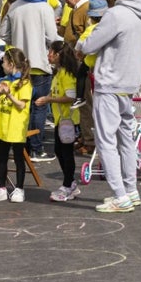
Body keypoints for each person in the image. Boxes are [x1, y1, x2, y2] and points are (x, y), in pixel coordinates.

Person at [76, 0, 141, 213]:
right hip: (130, 82)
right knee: (126, 140)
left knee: (106, 141)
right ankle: (131, 191)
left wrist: (81, 42)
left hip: (110, 83)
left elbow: (89, 45)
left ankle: (120, 194)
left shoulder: (116, 15)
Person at [2, 0, 60, 162]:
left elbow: (4, 34)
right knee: (39, 107)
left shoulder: (15, 6)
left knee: (21, 107)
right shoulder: (45, 8)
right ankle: (36, 148)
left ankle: (22, 147)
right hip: (40, 64)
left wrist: (17, 42)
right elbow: (52, 37)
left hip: (19, 66)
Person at [0, 47, 32, 203]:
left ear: (11, 63)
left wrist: (9, 94)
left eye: (4, 62)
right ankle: (1, 188)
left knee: (19, 157)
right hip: (3, 125)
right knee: (2, 157)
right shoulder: (4, 80)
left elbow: (21, 105)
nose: (2, 66)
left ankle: (19, 188)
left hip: (17, 127)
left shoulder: (24, 83)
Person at [40, 41, 82, 201]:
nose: (48, 55)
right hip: (60, 119)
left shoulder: (67, 74)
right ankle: (70, 183)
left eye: (51, 52)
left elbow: (71, 97)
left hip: (69, 120)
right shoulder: (58, 73)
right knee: (59, 150)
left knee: (66, 152)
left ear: (58, 55)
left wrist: (49, 100)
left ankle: (67, 185)